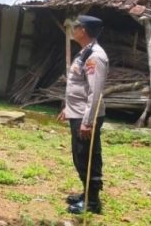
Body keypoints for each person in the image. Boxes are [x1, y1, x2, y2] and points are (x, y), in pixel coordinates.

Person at [58, 15, 109, 215]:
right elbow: (80, 86)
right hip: (78, 113)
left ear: (84, 31)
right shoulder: (85, 52)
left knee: (87, 156)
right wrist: (68, 109)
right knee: (81, 156)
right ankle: (87, 194)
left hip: (86, 117)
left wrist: (87, 122)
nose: (73, 29)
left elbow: (95, 92)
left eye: (76, 27)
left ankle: (92, 202)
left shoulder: (95, 56)